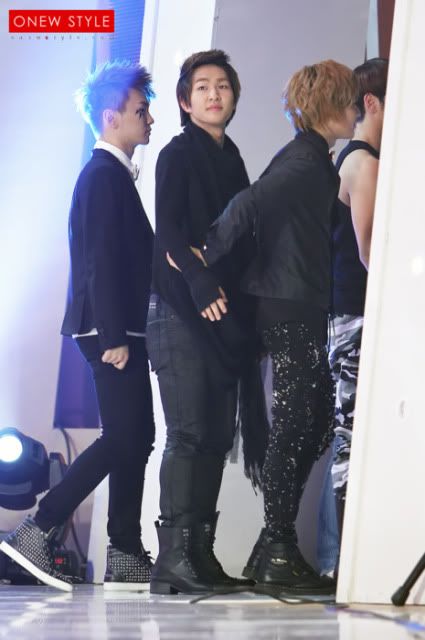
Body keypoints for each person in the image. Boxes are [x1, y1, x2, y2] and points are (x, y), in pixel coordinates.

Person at [200, 60, 359, 596]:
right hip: (288, 304)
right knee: (298, 423)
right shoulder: (306, 163)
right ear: (329, 105)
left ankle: (273, 544)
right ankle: (276, 547)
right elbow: (251, 202)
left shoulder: (311, 157)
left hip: (296, 301)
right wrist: (206, 256)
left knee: (313, 421)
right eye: (349, 100)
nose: (355, 110)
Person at [0, 61, 156, 592]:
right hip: (109, 330)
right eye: (141, 110)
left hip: (120, 328)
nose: (149, 119)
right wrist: (113, 335)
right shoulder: (102, 175)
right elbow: (99, 260)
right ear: (112, 117)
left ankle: (126, 554)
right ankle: (37, 529)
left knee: (138, 436)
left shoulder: (111, 175)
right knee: (126, 436)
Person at [147, 49, 267, 595]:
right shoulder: (176, 154)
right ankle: (173, 558)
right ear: (184, 101)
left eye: (222, 85)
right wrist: (198, 278)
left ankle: (200, 554)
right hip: (179, 310)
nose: (214, 94)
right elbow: (169, 231)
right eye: (202, 87)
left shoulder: (233, 159)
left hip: (222, 315)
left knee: (217, 437)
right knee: (190, 433)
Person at [329, 57, 388, 542]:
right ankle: (344, 556)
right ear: (372, 102)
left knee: (352, 434)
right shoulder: (363, 162)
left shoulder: (356, 158)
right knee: (352, 435)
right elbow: (369, 251)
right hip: (356, 317)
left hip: (351, 314)